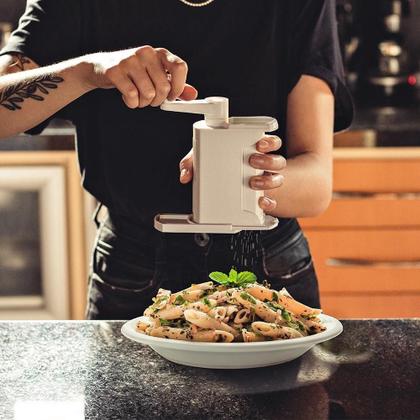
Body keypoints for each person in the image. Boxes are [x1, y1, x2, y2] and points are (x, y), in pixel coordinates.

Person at [0, 0, 353, 320]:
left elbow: (316, 184)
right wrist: (89, 71)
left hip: (268, 263)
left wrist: (238, 178)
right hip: (132, 269)